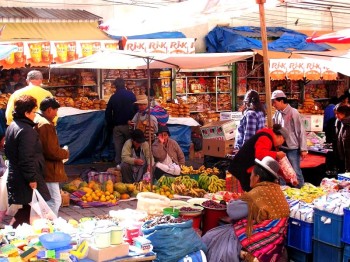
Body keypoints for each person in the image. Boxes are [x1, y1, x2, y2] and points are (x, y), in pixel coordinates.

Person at [203, 156, 290, 262]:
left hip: (259, 238)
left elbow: (233, 212)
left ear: (257, 177)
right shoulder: (278, 191)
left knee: (211, 238)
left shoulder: (257, 194)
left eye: (252, 174)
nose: (250, 177)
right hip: (276, 240)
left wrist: (231, 202)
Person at [4, 95, 50, 227]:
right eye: (33, 111)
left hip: (17, 174)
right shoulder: (26, 131)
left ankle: (16, 232)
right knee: (30, 208)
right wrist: (32, 179)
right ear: (26, 113)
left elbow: (9, 151)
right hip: (25, 176)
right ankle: (13, 232)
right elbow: (26, 157)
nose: (35, 115)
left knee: (27, 207)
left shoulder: (13, 125)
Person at [35, 97, 69, 216]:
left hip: (42, 166)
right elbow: (51, 151)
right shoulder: (45, 125)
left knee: (47, 199)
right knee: (54, 200)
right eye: (55, 111)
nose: (56, 114)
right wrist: (65, 153)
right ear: (49, 110)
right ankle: (49, 226)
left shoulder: (39, 120)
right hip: (48, 168)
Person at [228, 123, 288, 191]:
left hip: (246, 170)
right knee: (244, 196)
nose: (281, 144)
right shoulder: (265, 138)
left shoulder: (270, 139)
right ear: (280, 137)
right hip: (241, 170)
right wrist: (276, 154)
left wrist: (288, 178)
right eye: (283, 141)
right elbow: (259, 155)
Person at [271, 90, 308, 187]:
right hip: (281, 147)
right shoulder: (277, 113)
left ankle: (301, 190)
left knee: (295, 171)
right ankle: (284, 193)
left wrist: (303, 149)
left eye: (275, 102)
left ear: (281, 101)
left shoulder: (293, 112)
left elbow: (301, 131)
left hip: (293, 148)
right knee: (281, 171)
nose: (273, 104)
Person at [105, 78, 137, 169]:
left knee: (118, 147)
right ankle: (128, 164)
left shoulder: (113, 97)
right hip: (129, 126)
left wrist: (110, 125)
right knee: (129, 146)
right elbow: (136, 110)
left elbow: (108, 113)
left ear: (115, 86)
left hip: (117, 126)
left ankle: (119, 165)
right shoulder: (131, 95)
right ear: (125, 85)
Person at [334, 103, 350, 173]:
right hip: (343, 155)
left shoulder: (347, 123)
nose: (336, 116)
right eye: (336, 113)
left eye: (338, 113)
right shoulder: (340, 122)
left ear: (345, 113)